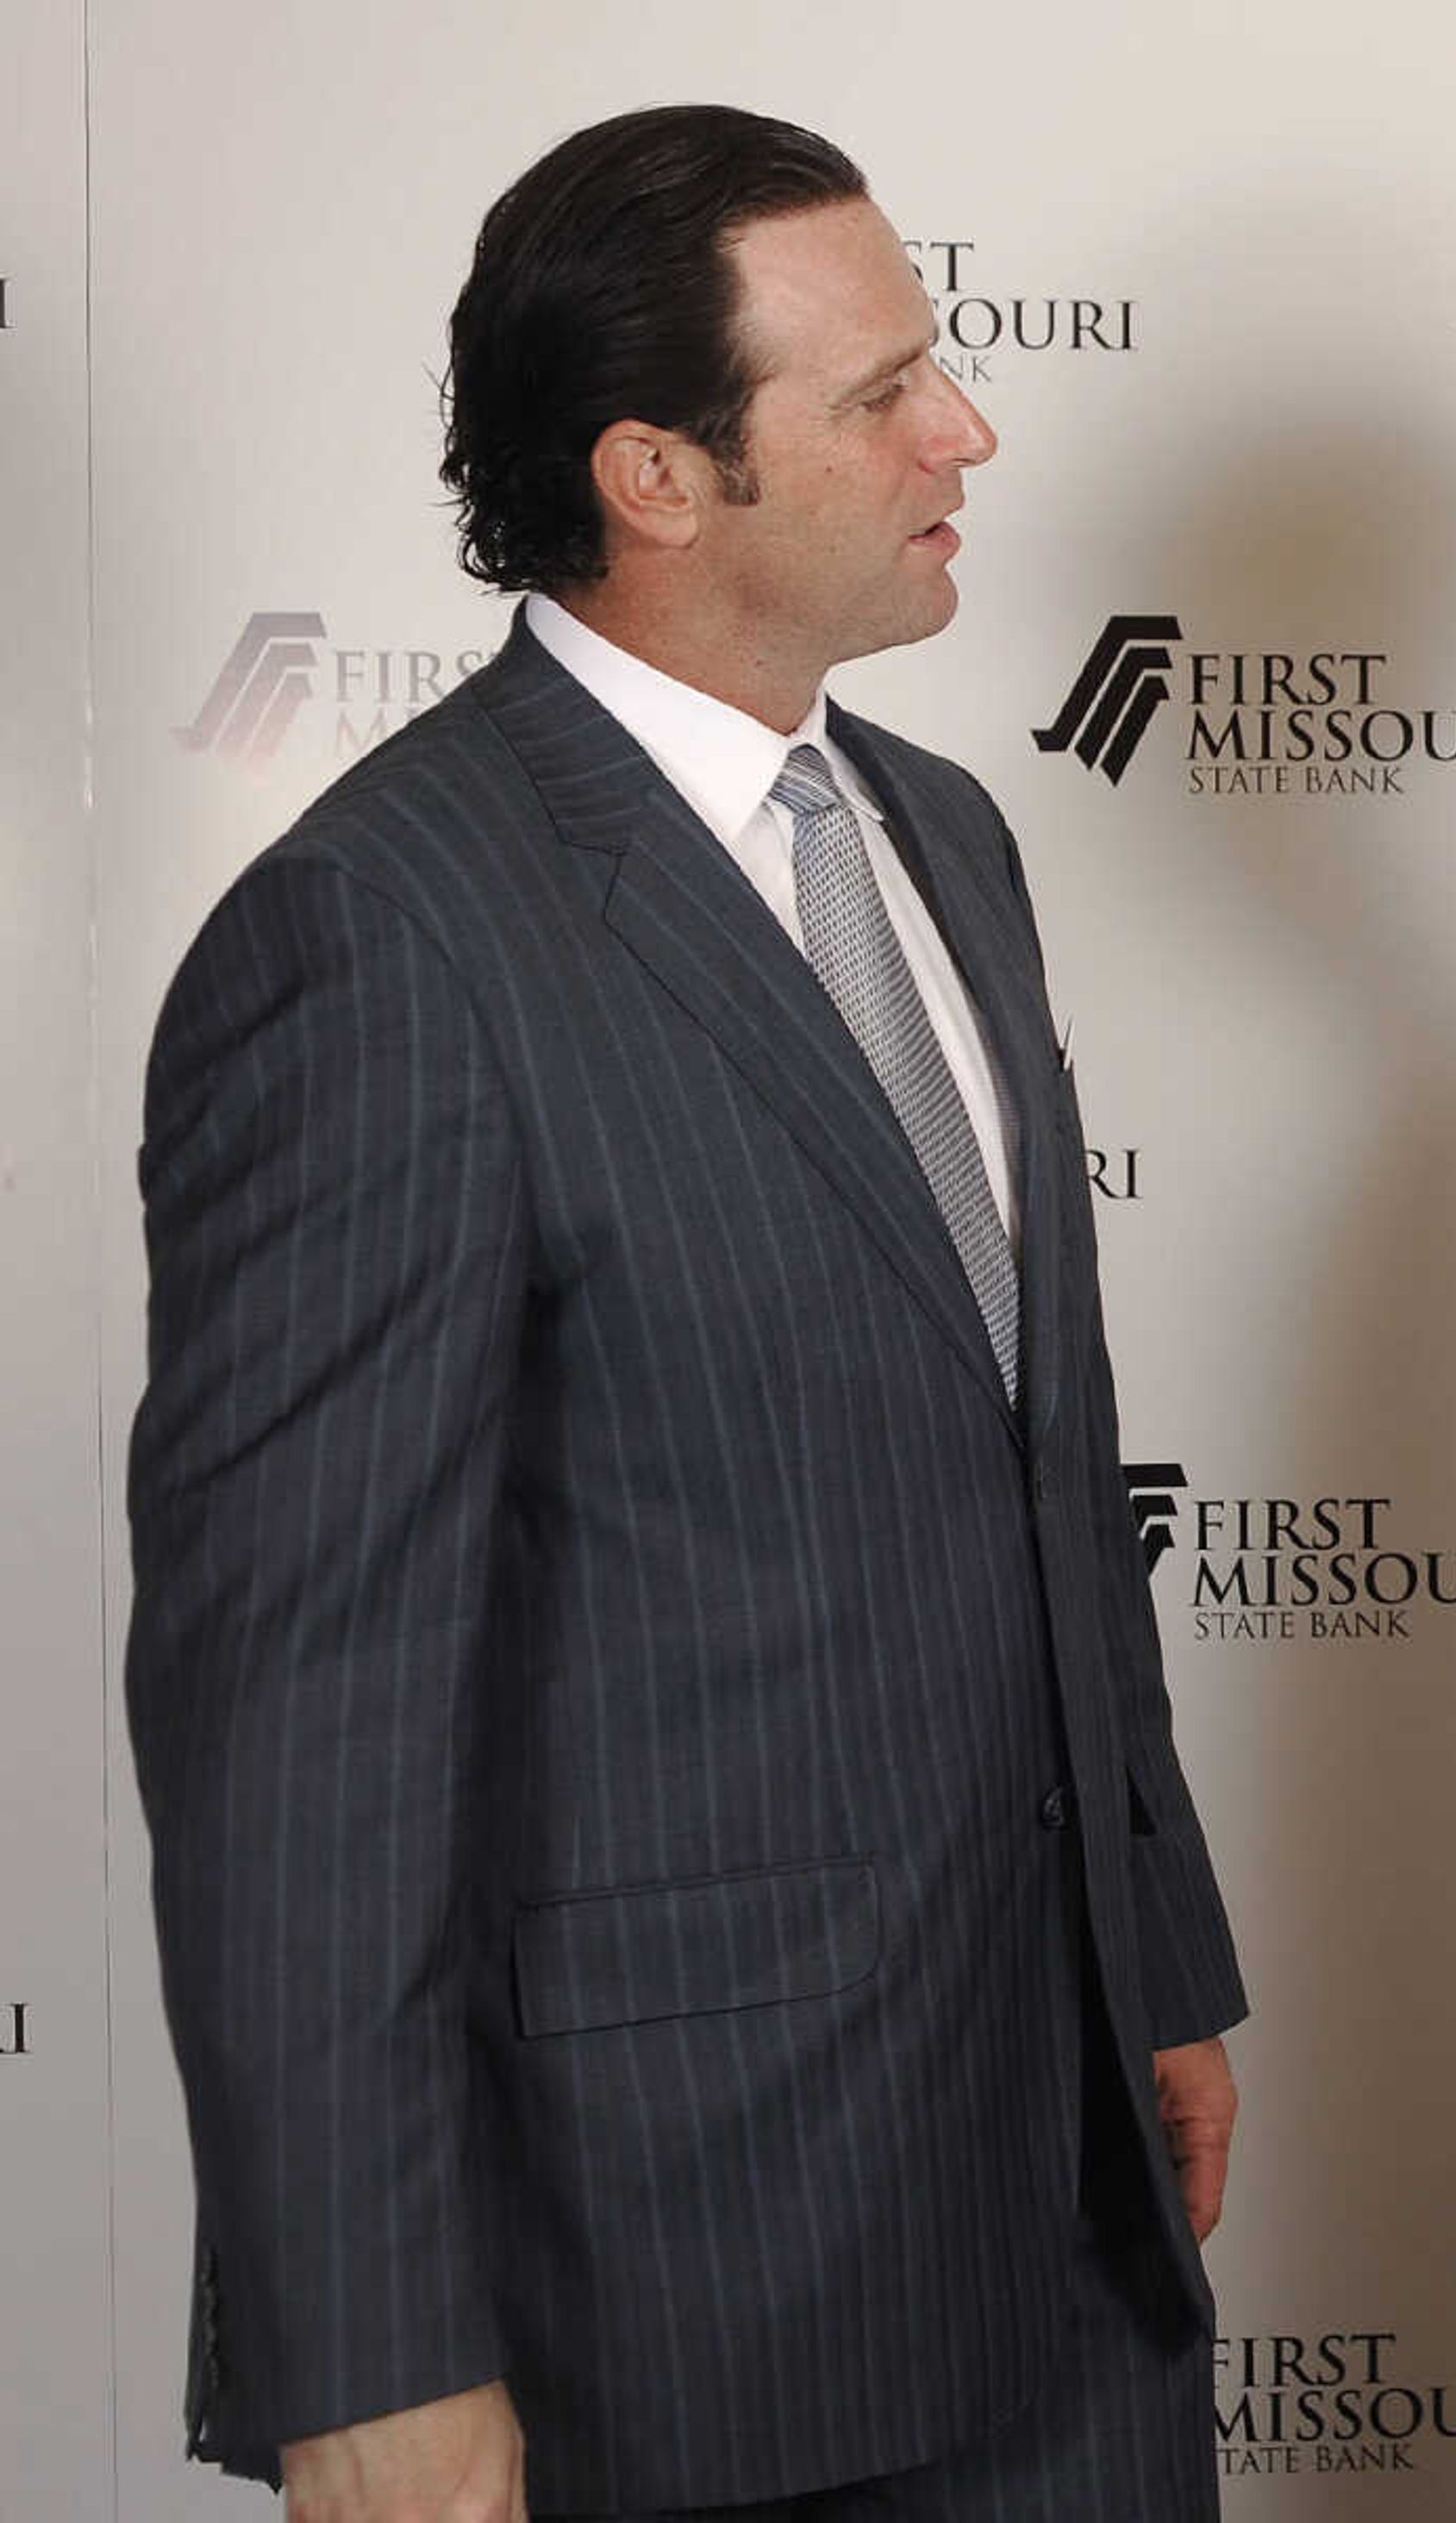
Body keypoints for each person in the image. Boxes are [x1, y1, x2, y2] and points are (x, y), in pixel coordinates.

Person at [124, 105, 1243, 2521]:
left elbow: (1029, 1454)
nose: (970, 430)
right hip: (674, 2288)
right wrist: (370, 2356)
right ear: (657, 471)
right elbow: (292, 1735)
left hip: (1064, 2216)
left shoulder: (947, 831)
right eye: (881, 397)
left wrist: (1149, 1956)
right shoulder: (380, 939)